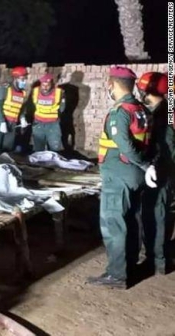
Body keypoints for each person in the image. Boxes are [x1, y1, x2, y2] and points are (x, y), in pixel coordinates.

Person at [87, 66, 155, 289]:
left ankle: (117, 274)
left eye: (108, 82)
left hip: (119, 176)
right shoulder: (141, 109)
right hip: (134, 175)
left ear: (112, 84)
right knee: (131, 221)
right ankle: (130, 264)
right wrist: (146, 166)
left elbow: (124, 145)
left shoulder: (120, 112)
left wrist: (145, 164)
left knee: (114, 224)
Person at [137, 72, 173, 274]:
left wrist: (153, 165)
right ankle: (158, 256)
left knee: (157, 214)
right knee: (159, 213)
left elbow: (165, 146)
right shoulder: (162, 110)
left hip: (162, 170)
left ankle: (158, 261)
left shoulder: (163, 114)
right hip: (165, 169)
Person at [0, 66, 29, 154]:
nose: (24, 82)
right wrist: (2, 122)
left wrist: (22, 118)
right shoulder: (5, 89)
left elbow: (21, 107)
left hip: (12, 124)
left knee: (7, 150)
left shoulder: (23, 92)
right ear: (15, 79)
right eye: (22, 79)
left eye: (25, 79)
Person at [30, 73, 66, 152]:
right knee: (38, 148)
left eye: (48, 85)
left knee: (55, 147)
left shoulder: (59, 92)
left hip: (53, 124)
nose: (45, 88)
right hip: (38, 123)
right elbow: (31, 105)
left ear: (52, 85)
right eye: (43, 85)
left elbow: (62, 107)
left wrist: (54, 116)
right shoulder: (35, 91)